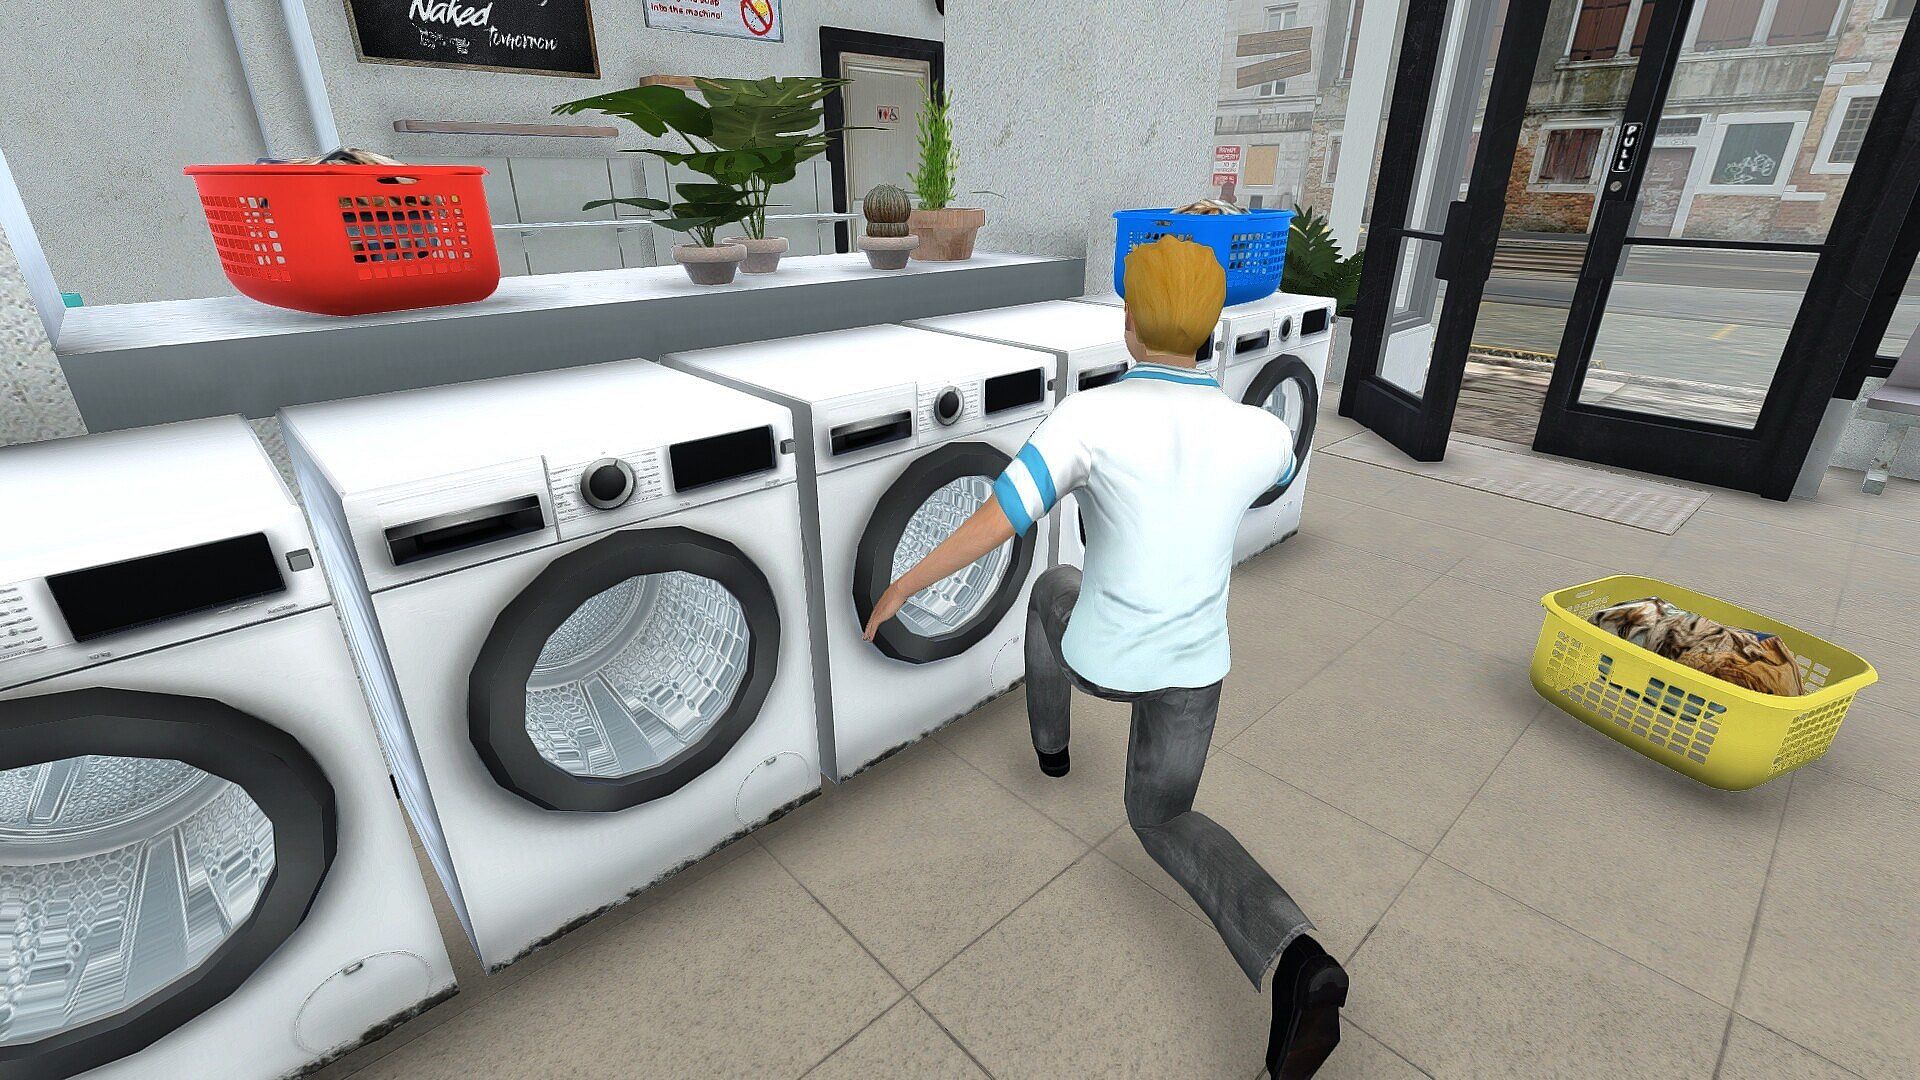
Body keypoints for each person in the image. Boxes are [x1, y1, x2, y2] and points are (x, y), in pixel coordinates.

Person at [862, 235, 1347, 1077]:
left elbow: (997, 520)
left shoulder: (1088, 417)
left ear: (1129, 327)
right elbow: (1272, 481)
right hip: (1195, 670)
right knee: (1163, 817)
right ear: (1213, 329)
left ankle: (1052, 749)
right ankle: (1298, 960)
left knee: (1054, 588)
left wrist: (902, 585)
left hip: (1104, 658)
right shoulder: (1261, 432)